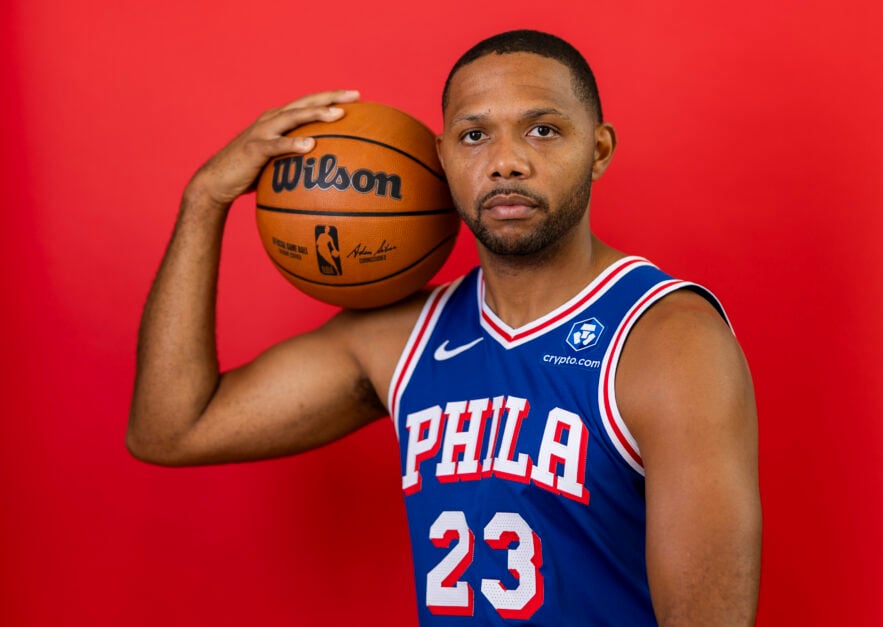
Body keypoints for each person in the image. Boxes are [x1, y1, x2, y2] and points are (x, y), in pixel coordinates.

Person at [128, 29, 761, 625]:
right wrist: (204, 199)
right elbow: (171, 429)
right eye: (474, 135)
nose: (507, 162)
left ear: (597, 150)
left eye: (543, 130)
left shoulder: (668, 342)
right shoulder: (402, 339)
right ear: (439, 158)